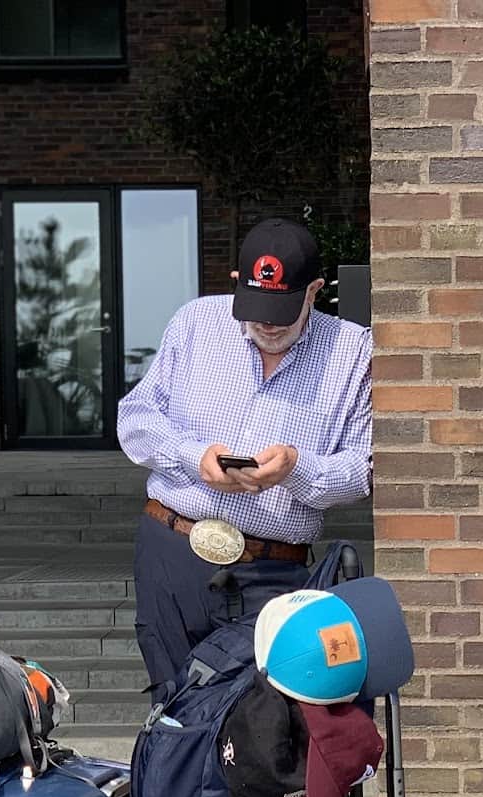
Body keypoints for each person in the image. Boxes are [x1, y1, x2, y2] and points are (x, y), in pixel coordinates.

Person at [115, 216, 373, 694]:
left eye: (283, 311)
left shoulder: (353, 352)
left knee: (264, 726)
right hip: (171, 552)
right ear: (237, 284)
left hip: (272, 571)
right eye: (256, 309)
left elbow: (363, 471)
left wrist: (297, 468)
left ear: (315, 290)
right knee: (171, 717)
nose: (269, 325)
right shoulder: (195, 322)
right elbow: (134, 419)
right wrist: (193, 456)